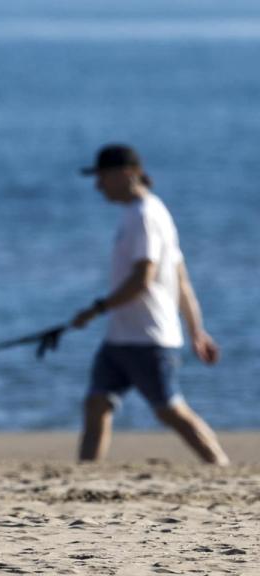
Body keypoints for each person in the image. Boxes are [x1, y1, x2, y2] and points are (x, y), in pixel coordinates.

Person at [71, 144, 228, 465]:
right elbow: (181, 278)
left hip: (148, 336)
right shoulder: (147, 212)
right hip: (120, 337)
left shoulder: (144, 215)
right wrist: (197, 331)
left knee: (170, 410)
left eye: (102, 177)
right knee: (96, 403)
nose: (98, 185)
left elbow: (144, 278)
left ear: (127, 174)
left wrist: (97, 309)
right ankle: (85, 475)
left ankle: (220, 467)